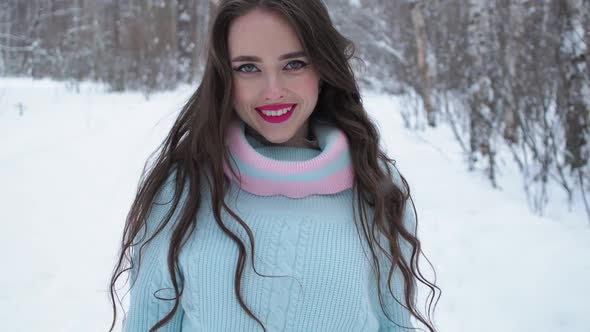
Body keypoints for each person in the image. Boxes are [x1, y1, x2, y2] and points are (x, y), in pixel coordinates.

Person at [109, 0, 439, 331]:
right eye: (248, 68)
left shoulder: (374, 183)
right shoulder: (184, 185)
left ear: (322, 69)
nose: (273, 92)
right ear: (225, 77)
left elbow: (394, 325)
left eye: (293, 64)